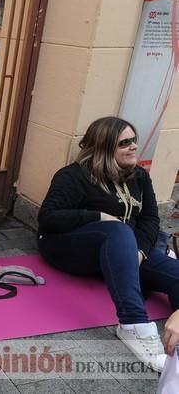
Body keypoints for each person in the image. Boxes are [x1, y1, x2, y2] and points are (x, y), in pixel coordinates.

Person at [37, 116, 179, 372]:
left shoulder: (139, 177)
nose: (134, 146)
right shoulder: (73, 176)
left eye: (134, 140)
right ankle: (133, 325)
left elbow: (150, 219)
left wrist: (141, 252)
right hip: (69, 247)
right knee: (118, 230)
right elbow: (47, 219)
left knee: (176, 274)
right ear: (103, 147)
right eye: (124, 143)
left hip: (124, 250)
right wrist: (97, 216)